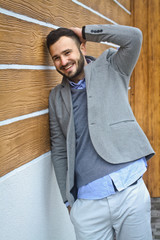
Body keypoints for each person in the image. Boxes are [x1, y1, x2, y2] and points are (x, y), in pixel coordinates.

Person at [46, 24, 155, 240]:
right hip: (88, 205)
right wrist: (68, 202)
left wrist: (85, 31)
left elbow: (134, 37)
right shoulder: (56, 97)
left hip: (129, 192)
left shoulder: (112, 66)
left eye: (67, 52)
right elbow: (59, 149)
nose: (63, 61)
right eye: (56, 57)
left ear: (82, 48)